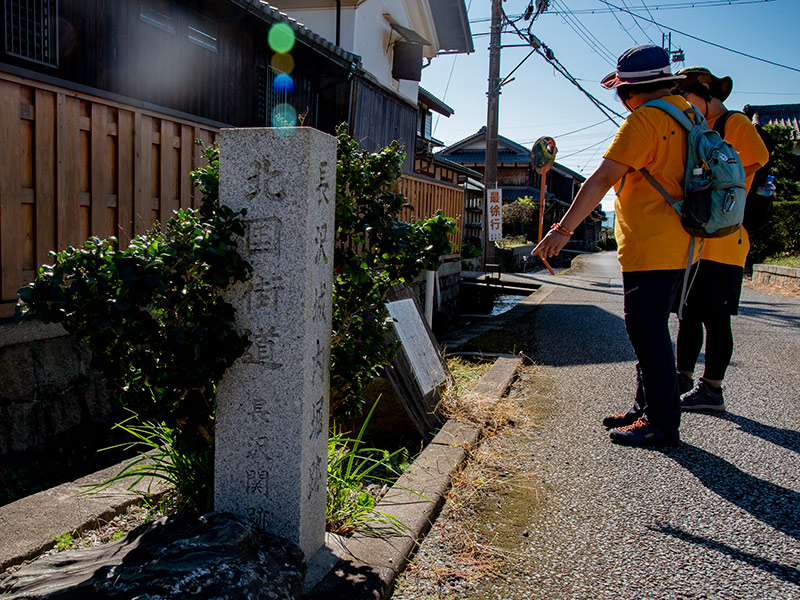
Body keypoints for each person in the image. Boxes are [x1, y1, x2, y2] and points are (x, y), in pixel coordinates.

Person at [534, 44, 698, 446]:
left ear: (628, 91)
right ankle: (645, 408)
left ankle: (661, 422)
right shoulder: (689, 114)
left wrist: (563, 230)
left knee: (647, 333)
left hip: (651, 244)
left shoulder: (646, 121)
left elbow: (601, 179)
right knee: (653, 328)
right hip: (685, 241)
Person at [672, 67, 769, 411]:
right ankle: (681, 379)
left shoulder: (734, 125)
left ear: (706, 92)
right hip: (698, 240)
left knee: (716, 316)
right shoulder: (699, 129)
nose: (683, 104)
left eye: (686, 96)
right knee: (688, 313)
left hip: (726, 238)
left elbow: (758, 157)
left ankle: (712, 389)